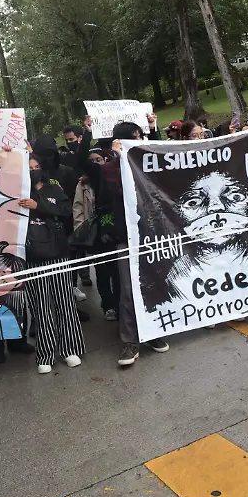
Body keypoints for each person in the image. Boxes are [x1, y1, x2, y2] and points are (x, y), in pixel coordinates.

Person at [78, 117, 169, 366]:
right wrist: (88, 136)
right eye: (135, 136)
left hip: (153, 234)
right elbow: (80, 163)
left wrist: (155, 129)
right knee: (129, 290)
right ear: (120, 142)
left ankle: (154, 332)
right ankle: (130, 341)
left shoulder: (147, 162)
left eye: (141, 136)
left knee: (154, 285)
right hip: (125, 238)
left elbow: (167, 160)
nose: (140, 140)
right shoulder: (107, 171)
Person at [21, 155, 85, 374]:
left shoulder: (53, 189)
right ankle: (45, 354)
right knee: (41, 306)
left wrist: (39, 206)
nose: (34, 171)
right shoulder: (15, 192)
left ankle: (69, 349)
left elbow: (65, 211)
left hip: (57, 253)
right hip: (31, 257)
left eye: (37, 166)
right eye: (29, 168)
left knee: (64, 302)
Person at [32, 137, 87, 298]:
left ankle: (71, 287)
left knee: (68, 262)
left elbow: (71, 201)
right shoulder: (32, 173)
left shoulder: (66, 171)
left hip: (64, 226)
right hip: (39, 230)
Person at [72, 146, 107, 317]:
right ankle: (107, 305)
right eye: (91, 161)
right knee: (101, 270)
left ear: (105, 160)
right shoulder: (83, 184)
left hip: (111, 232)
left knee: (115, 270)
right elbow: (78, 206)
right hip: (93, 234)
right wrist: (80, 227)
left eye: (98, 160)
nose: (95, 163)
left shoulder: (113, 177)